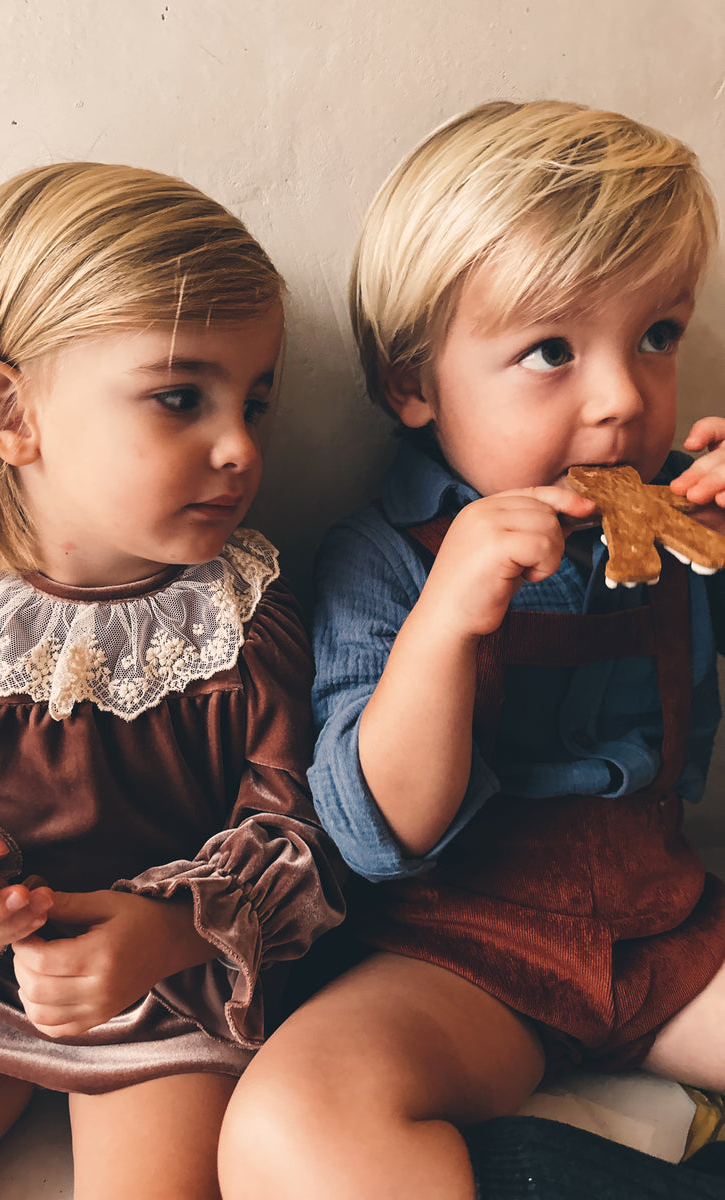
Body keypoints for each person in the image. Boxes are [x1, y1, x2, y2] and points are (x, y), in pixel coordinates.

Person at [218, 101, 725, 1199]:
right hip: (463, 954)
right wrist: (447, 617)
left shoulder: (687, 521)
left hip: (669, 928)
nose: (623, 400)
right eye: (551, 350)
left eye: (659, 335)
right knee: (287, 1125)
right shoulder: (382, 555)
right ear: (413, 383)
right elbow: (375, 832)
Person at [0, 161, 344, 1200]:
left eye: (257, 399)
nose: (240, 446)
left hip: (165, 998)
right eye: (181, 398)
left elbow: (302, 842)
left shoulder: (248, 620)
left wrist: (161, 932)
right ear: (12, 413)